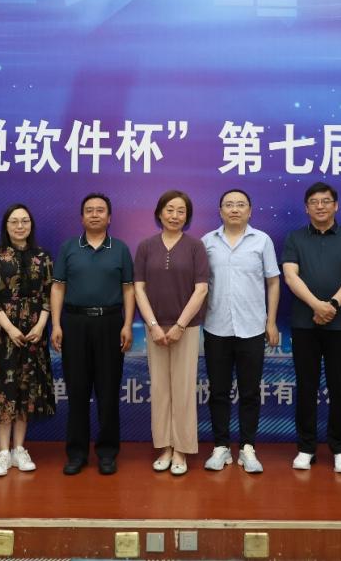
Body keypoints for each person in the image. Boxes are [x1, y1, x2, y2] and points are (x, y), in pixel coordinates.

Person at [281, 182, 341, 474]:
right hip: (304, 324)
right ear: (306, 208)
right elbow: (290, 276)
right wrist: (316, 305)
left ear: (336, 205)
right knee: (306, 386)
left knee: (339, 387)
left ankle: (340, 449)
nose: (320, 206)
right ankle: (306, 447)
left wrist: (332, 306)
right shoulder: (294, 238)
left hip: (339, 325)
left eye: (326, 201)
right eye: (314, 202)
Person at [50, 193, 135, 476]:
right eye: (89, 210)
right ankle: (76, 454)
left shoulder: (120, 249)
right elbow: (58, 287)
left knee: (108, 392)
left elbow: (128, 289)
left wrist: (127, 324)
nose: (95, 214)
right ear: (82, 217)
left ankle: (107, 453)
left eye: (100, 210)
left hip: (110, 324)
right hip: (74, 323)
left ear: (109, 218)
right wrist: (56, 324)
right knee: (77, 391)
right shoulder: (68, 248)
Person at [201, 189, 280, 474]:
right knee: (218, 391)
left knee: (249, 392)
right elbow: (200, 285)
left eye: (240, 205)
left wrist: (271, 322)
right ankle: (221, 447)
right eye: (229, 205)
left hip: (252, 327)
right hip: (216, 326)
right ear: (220, 211)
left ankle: (248, 448)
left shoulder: (262, 241)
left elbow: (273, 282)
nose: (234, 209)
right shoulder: (207, 242)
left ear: (250, 210)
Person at [134, 190, 209, 476]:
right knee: (160, 389)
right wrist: (153, 326)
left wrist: (179, 326)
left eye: (181, 211)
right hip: (155, 328)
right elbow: (138, 288)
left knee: (183, 389)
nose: (175, 215)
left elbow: (201, 289)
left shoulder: (195, 247)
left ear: (187, 216)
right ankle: (164, 447)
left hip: (186, 328)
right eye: (169, 209)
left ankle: (182, 449)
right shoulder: (146, 246)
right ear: (159, 213)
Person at [0, 203, 56, 477]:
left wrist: (41, 325)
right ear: (6, 225)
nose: (20, 226)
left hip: (34, 331)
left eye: (25, 221)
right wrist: (10, 329)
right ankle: (2, 452)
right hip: (1, 332)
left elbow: (50, 294)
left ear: (31, 225)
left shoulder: (43, 256)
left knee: (27, 389)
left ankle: (19, 449)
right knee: (2, 389)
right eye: (14, 221)